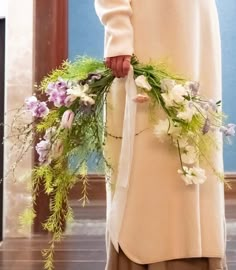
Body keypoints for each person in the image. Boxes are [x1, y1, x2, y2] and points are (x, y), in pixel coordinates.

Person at [94, 1, 228, 269]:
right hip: (150, 25)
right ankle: (143, 251)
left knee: (194, 124)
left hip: (194, 24)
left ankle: (198, 247)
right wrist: (118, 30)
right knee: (147, 131)